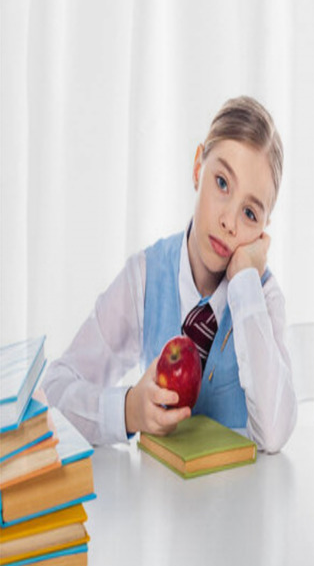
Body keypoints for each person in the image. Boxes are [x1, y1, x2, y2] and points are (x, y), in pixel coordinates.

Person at [43, 96, 297, 453]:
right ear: (198, 168)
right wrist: (128, 410)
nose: (228, 222)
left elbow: (274, 434)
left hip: (241, 506)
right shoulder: (145, 277)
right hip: (158, 503)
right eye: (222, 183)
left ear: (264, 231)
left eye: (250, 214)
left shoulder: (262, 298)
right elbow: (55, 389)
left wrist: (244, 283)